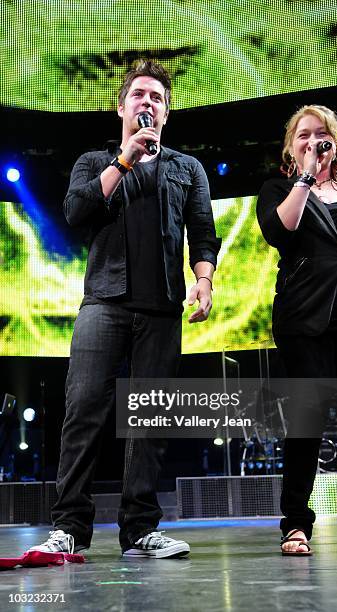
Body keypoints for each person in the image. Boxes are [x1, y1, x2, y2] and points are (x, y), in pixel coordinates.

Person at [30, 60, 221, 558]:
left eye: (157, 97)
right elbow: (77, 212)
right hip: (103, 304)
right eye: (139, 94)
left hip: (161, 307)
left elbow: (202, 232)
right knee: (84, 412)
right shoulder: (94, 162)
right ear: (122, 107)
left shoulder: (188, 169)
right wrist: (125, 160)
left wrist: (204, 282)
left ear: (166, 113)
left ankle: (140, 529)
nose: (148, 103)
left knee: (152, 420)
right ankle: (69, 527)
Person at [256, 104, 337, 555]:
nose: (312, 141)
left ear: (335, 141)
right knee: (307, 425)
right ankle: (296, 524)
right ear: (291, 145)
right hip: (306, 319)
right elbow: (279, 232)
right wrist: (305, 176)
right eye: (303, 135)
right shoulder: (279, 188)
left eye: (321, 134)